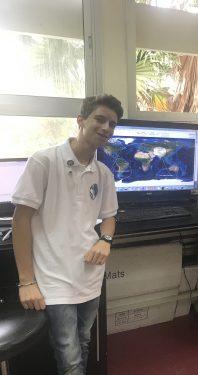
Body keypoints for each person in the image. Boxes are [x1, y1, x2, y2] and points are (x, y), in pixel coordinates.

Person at [11, 94, 124, 375]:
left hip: (89, 276)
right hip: (53, 278)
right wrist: (26, 281)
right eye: (100, 119)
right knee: (68, 353)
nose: (106, 128)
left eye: (112, 123)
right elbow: (20, 220)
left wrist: (105, 240)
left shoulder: (104, 173)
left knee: (83, 342)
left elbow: (110, 217)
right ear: (81, 120)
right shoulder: (44, 161)